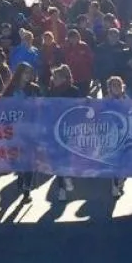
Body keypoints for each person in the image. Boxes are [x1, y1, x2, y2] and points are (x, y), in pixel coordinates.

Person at [2, 62, 41, 204]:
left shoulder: (34, 89)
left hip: (29, 129)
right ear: (19, 73)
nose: (28, 75)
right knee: (14, 159)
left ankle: (27, 189)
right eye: (26, 72)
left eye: (30, 73)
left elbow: (42, 106)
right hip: (13, 130)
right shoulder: (10, 89)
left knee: (29, 159)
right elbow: (2, 108)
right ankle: (20, 173)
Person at [44, 65, 78, 202]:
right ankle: (62, 188)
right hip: (52, 128)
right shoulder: (50, 91)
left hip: (68, 129)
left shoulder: (73, 91)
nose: (54, 79)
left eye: (57, 77)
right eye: (53, 77)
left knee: (65, 157)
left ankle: (66, 178)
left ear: (64, 78)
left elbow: (78, 108)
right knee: (55, 160)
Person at [102, 75, 130, 199]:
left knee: (125, 162)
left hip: (125, 133)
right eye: (114, 85)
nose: (117, 87)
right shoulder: (106, 100)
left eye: (119, 85)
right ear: (109, 88)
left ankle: (121, 181)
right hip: (111, 134)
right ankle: (114, 186)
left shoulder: (127, 98)